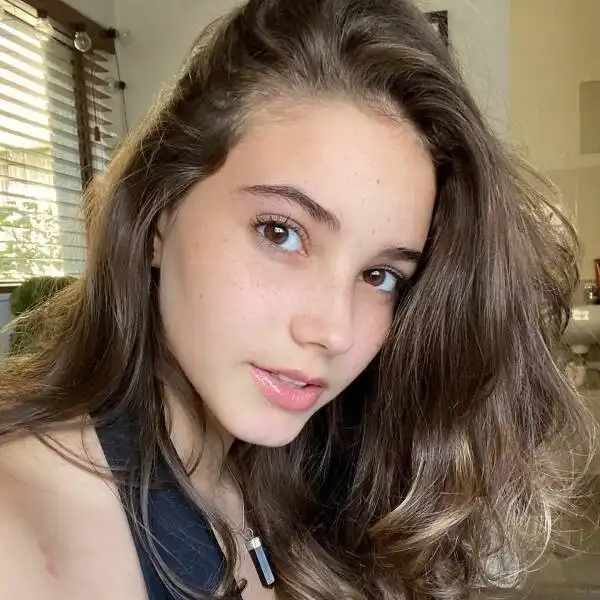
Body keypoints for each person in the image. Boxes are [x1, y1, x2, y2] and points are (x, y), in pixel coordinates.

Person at [0, 0, 593, 599]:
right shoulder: (24, 539)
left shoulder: (289, 478)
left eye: (380, 275)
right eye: (281, 232)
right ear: (159, 216)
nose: (334, 330)